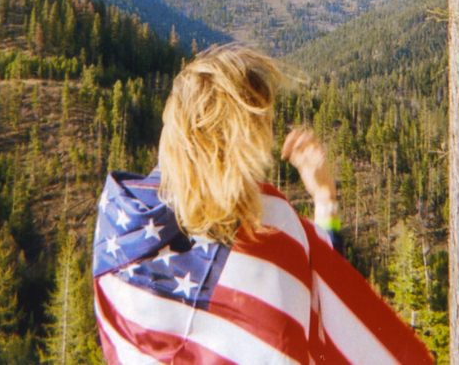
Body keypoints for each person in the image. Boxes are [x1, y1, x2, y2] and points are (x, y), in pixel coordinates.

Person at [91, 45, 434, 365]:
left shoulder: (120, 226)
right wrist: (324, 199)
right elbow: (327, 304)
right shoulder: (269, 224)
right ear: (243, 138)